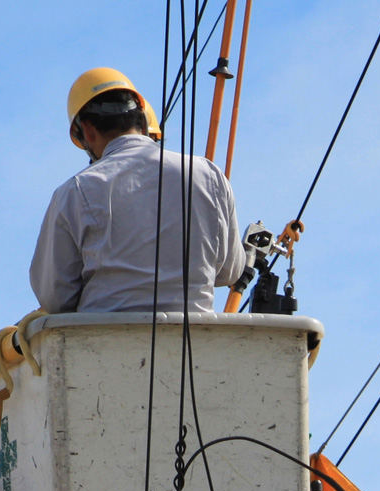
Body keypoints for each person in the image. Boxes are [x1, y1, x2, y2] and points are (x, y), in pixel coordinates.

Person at [30, 67, 247, 315]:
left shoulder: (75, 191)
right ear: (143, 120)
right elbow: (229, 271)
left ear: (87, 130)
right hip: (194, 345)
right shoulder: (208, 174)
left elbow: (55, 298)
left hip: (104, 345)